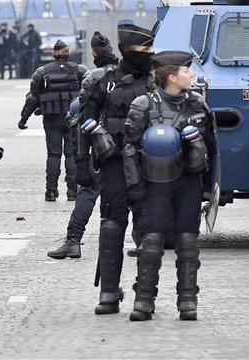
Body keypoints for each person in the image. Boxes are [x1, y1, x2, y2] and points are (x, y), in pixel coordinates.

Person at [123, 50, 216, 321]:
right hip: (155, 184)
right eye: (187, 72)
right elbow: (129, 148)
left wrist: (210, 190)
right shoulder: (143, 105)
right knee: (151, 242)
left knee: (188, 241)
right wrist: (135, 186)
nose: (192, 75)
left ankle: (188, 301)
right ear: (172, 77)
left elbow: (212, 148)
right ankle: (143, 300)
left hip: (188, 181)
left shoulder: (198, 104)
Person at [78, 20, 155, 315]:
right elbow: (83, 123)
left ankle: (144, 294)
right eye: (142, 48)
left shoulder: (159, 78)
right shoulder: (102, 80)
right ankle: (109, 292)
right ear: (126, 50)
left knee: (150, 228)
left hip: (152, 165)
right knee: (112, 224)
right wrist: (81, 165)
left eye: (150, 48)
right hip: (114, 163)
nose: (148, 53)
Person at [47, 32, 120, 260]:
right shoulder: (134, 76)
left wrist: (81, 159)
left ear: (94, 53)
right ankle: (145, 240)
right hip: (129, 147)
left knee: (88, 192)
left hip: (100, 147)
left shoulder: (93, 78)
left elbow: (80, 118)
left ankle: (73, 241)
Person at [19, 40, 88, 201]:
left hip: (51, 119)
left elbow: (33, 97)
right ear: (68, 53)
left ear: (53, 54)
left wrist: (23, 118)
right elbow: (88, 94)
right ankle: (73, 192)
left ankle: (51, 191)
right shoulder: (80, 70)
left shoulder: (42, 72)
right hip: (74, 118)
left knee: (53, 154)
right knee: (71, 154)